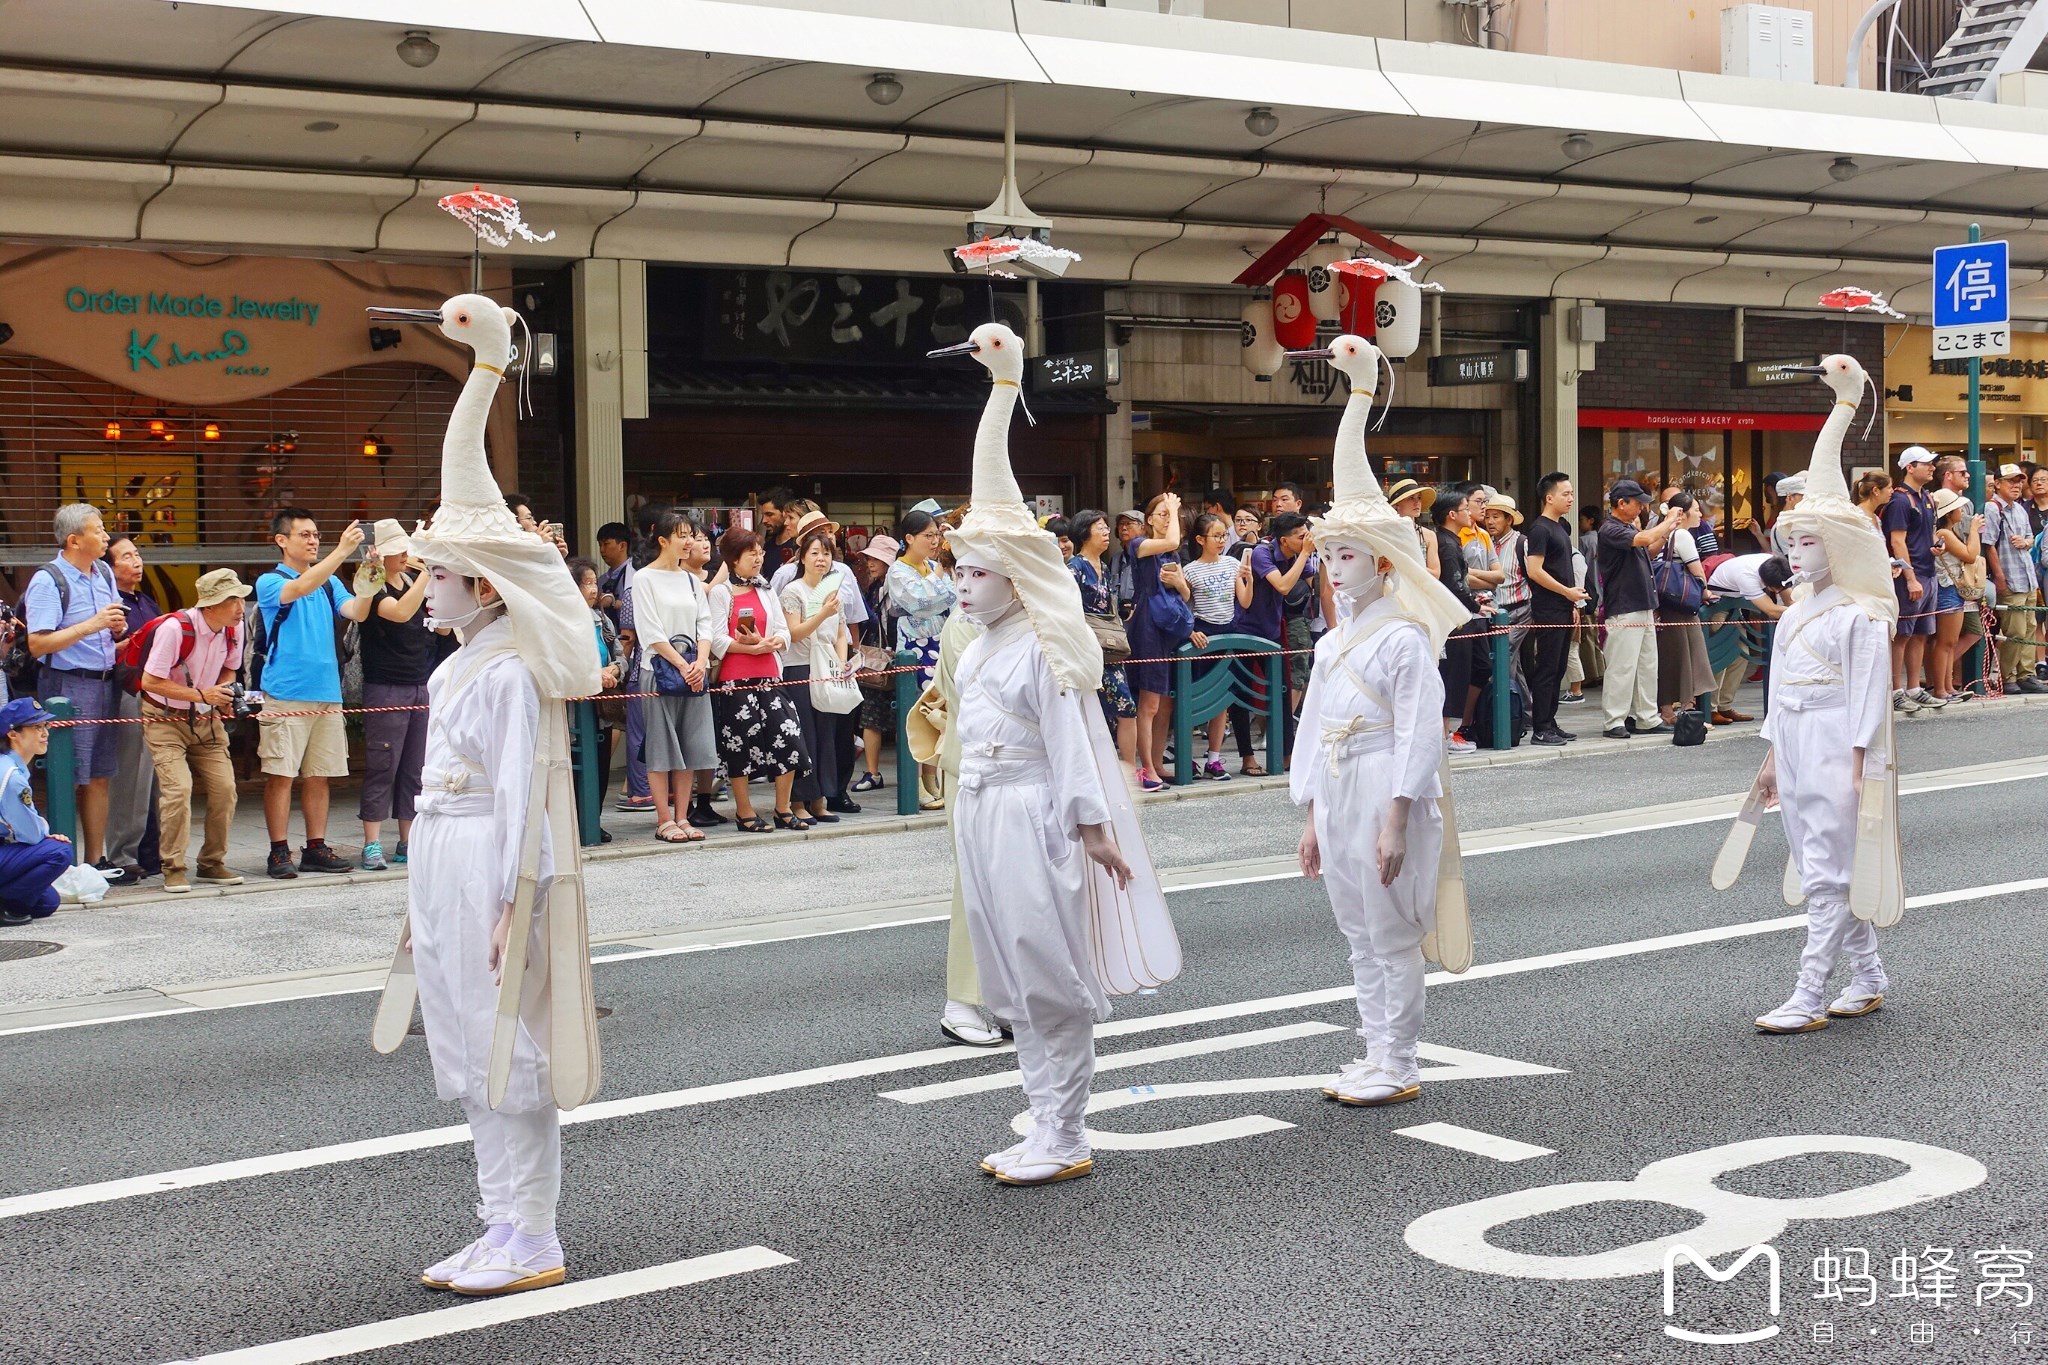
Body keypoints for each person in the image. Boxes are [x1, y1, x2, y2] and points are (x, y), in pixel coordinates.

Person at [935, 321, 1175, 1186]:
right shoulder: (981, 642)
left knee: (1047, 966)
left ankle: (1066, 1129)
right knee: (1007, 968)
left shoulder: (1041, 643)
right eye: (958, 571)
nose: (964, 585)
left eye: (979, 573)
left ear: (1019, 578)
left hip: (1036, 811)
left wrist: (1095, 825)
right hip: (983, 809)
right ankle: (1042, 1117)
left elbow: (1074, 742)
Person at [1287, 334, 1474, 1107]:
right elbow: (1310, 727)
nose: (1335, 569)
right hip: (1337, 784)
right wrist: (1309, 812)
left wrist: (1397, 816)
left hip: (1382, 785)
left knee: (1392, 929)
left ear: (1386, 563)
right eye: (1330, 556)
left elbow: (1419, 732)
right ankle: (1374, 1051)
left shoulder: (1403, 638)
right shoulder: (1334, 640)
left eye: (1350, 557)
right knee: (1358, 931)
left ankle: (1399, 1059)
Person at [1740, 355, 1899, 1035]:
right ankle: (1868, 975)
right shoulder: (1799, 612)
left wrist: (1864, 765)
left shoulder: (1860, 615)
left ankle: (1809, 992)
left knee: (1829, 866)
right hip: (1799, 742)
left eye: (1809, 540)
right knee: (1814, 859)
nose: (1796, 551)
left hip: (1840, 743)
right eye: (1793, 540)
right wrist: (1772, 756)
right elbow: (1779, 694)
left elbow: (1870, 695)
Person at [255, 507, 375, 879]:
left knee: (320, 774)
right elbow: (298, 588)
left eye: (315, 534)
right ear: (281, 540)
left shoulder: (329, 583)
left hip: (327, 691)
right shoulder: (270, 581)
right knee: (280, 774)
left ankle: (315, 846)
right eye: (304, 534)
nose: (312, 541)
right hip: (286, 691)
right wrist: (340, 552)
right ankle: (278, 850)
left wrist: (371, 579)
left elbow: (356, 611)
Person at [21, 503, 126, 882]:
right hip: (67, 685)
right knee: (67, 774)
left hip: (105, 679)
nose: (106, 537)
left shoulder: (103, 572)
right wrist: (93, 624)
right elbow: (37, 644)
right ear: (74, 539)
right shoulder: (48, 580)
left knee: (99, 774)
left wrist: (117, 633)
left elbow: (110, 626)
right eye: (98, 530)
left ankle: (94, 862)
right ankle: (61, 861)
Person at [137, 569, 252, 893]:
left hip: (207, 720)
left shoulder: (234, 627)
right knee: (178, 790)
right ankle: (173, 867)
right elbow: (150, 681)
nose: (240, 606)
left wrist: (224, 694)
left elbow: (230, 666)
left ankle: (212, 862)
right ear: (211, 605)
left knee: (225, 788)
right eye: (233, 600)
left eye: (240, 598)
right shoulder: (175, 629)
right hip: (164, 718)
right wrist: (203, 695)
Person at [708, 528, 810, 832]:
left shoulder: (766, 590)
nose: (758, 557)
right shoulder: (720, 592)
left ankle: (782, 807)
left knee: (789, 738)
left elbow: (783, 631)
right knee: (739, 746)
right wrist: (753, 646)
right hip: (734, 680)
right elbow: (716, 640)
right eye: (751, 552)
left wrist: (769, 642)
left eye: (760, 551)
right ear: (733, 558)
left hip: (770, 676)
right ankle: (744, 810)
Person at [631, 510, 719, 845]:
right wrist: (685, 666)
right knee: (661, 746)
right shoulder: (644, 579)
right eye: (682, 535)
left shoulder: (692, 580)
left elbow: (705, 624)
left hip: (694, 671)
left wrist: (699, 661)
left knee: (689, 745)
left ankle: (682, 816)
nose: (689, 542)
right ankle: (663, 818)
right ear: (663, 540)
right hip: (659, 671)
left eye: (692, 535)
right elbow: (650, 631)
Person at [355, 520, 437, 871]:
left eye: (407, 549)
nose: (405, 556)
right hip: (386, 685)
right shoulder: (373, 587)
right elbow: (400, 613)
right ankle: (371, 843)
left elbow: (444, 625)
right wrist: (428, 573)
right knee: (382, 765)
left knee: (415, 768)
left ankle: (409, 840)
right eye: (398, 551)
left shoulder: (411, 581)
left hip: (421, 682)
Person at [99, 534, 161, 884]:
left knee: (152, 778)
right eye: (126, 556)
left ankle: (149, 852)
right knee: (129, 777)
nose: (136, 561)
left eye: (137, 555)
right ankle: (123, 853)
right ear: (109, 567)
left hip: (155, 692)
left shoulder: (146, 601)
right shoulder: (110, 604)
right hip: (126, 691)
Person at [1598, 480, 1681, 739]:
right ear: (1621, 503)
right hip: (1624, 606)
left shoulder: (1625, 527)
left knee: (1647, 665)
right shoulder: (1610, 528)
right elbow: (1644, 539)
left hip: (1643, 604)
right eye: (1637, 502)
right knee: (1622, 666)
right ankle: (1614, 720)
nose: (1641, 507)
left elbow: (1649, 547)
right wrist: (1667, 521)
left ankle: (1647, 716)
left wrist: (1667, 530)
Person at [781, 529, 853, 826]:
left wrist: (842, 662)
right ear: (802, 558)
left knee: (826, 734)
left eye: (825, 553)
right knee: (803, 735)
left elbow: (841, 632)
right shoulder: (792, 591)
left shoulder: (832, 590)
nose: (821, 559)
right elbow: (794, 633)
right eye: (814, 553)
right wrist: (823, 612)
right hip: (799, 667)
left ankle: (821, 799)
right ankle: (797, 802)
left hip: (827, 669)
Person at [886, 509, 955, 808]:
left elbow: (951, 598)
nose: (934, 540)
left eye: (936, 535)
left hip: (939, 645)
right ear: (909, 538)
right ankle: (915, 782)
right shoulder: (898, 571)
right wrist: (939, 582)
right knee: (915, 715)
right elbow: (919, 604)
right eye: (928, 535)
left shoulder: (931, 566)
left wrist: (937, 584)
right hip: (913, 648)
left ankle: (932, 776)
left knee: (938, 714)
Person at [1122, 491, 1190, 792]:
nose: (1168, 518)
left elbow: (1185, 596)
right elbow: (1173, 540)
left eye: (1170, 514)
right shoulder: (1140, 544)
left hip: (1168, 628)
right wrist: (1174, 508)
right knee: (1147, 704)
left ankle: (1156, 763)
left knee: (1162, 703)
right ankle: (1145, 766)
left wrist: (1179, 583)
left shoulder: (1171, 554)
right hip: (1147, 628)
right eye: (1161, 514)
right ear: (1148, 520)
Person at [1182, 511, 1252, 779]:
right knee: (1195, 697)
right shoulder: (1190, 570)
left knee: (1223, 699)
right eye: (1217, 536)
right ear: (1200, 539)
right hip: (1204, 634)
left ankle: (1214, 758)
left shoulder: (1232, 564)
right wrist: (1190, 632)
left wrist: (1249, 578)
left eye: (1224, 535)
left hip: (1230, 631)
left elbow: (1244, 601)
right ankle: (1186, 757)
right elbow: (1184, 607)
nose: (1222, 540)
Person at [1066, 510, 1138, 768]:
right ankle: (1107, 769)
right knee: (1102, 711)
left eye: (1107, 528)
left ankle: (1126, 768)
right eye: (1100, 528)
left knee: (1124, 709)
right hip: (1087, 648)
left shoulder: (1104, 567)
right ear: (1085, 533)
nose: (1107, 532)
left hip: (1109, 648)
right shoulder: (1074, 568)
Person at [1524, 473, 1588, 746]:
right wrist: (1566, 592)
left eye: (1572, 493)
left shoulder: (1560, 527)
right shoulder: (1540, 529)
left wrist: (1572, 602)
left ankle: (1550, 722)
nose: (1571, 498)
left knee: (1559, 667)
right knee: (1547, 668)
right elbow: (1534, 571)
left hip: (1563, 607)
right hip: (1548, 609)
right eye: (1566, 494)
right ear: (1549, 497)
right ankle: (1540, 728)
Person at [0, 698, 75, 925]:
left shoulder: (8, 765)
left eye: (45, 727)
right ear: (13, 734)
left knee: (47, 902)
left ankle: (8, 903)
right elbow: (31, 835)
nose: (44, 734)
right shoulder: (12, 776)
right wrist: (46, 836)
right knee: (59, 852)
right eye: (36, 728)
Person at [1429, 489, 1490, 753]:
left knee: (1479, 667)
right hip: (1454, 620)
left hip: (1464, 617)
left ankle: (1456, 728)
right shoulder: (1446, 543)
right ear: (1452, 514)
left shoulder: (1450, 541)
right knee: (1452, 674)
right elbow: (1453, 585)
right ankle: (1445, 732)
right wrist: (1475, 604)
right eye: (1466, 508)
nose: (1470, 513)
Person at [566, 556, 624, 822]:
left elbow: (621, 657)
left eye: (593, 582)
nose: (593, 588)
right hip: (574, 707)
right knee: (575, 766)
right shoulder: (563, 621)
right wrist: (593, 674)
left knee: (601, 764)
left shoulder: (604, 621)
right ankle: (576, 824)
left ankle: (594, 820)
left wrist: (613, 670)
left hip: (602, 704)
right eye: (585, 582)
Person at [1884, 446, 1941, 713]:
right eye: (1926, 463)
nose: (1932, 467)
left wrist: (1936, 546)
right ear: (1909, 467)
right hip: (1912, 574)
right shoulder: (1899, 500)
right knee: (1902, 635)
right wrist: (1910, 577)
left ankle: (1914, 688)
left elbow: (1926, 533)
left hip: (1928, 571)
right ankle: (1896, 690)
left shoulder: (1927, 497)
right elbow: (1897, 540)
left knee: (1921, 633)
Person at [1704, 553, 1792, 723]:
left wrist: (1796, 606)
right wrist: (1803, 610)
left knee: (1741, 654)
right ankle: (1711, 708)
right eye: (1774, 589)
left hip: (1733, 605)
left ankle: (1725, 706)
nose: (1777, 592)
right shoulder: (1747, 576)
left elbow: (1789, 597)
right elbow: (1771, 610)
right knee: (1720, 656)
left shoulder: (1776, 566)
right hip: (1717, 606)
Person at [1655, 493, 1716, 726]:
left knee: (1671, 659)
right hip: (1683, 605)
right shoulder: (1682, 535)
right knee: (1689, 657)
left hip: (1668, 604)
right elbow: (1697, 571)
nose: (1700, 514)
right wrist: (1706, 592)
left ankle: (1668, 711)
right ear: (1683, 513)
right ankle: (1687, 713)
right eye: (1696, 509)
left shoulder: (1664, 532)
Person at [1984, 463, 2044, 694]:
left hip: (2027, 577)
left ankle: (2026, 674)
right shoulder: (1993, 509)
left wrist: (2026, 542)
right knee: (2015, 630)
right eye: (2011, 481)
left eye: (2019, 481)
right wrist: (1999, 577)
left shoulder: (2019, 508)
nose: (2017, 485)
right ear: (1997, 483)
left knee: (2029, 627)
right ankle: (2007, 677)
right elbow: (1988, 545)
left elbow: (2031, 538)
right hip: (2009, 578)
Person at [850, 535, 899, 795]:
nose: (870, 563)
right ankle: (872, 771)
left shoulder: (898, 585)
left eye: (876, 559)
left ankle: (916, 775)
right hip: (878, 661)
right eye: (868, 558)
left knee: (907, 718)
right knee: (870, 717)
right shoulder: (872, 588)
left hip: (899, 658)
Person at [1928, 489, 1984, 705]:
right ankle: (1941, 689)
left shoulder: (1945, 532)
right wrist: (1974, 530)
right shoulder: (1945, 533)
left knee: (1949, 642)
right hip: (1947, 589)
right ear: (1949, 512)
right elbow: (1971, 556)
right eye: (1958, 508)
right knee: (1946, 642)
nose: (1962, 511)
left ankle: (1948, 686)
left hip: (1950, 589)